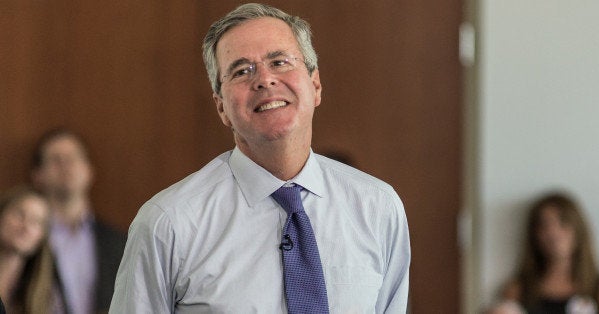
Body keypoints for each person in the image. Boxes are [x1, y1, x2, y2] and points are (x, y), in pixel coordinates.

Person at [110, 3, 411, 313]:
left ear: (315, 85)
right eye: (242, 71)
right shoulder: (167, 224)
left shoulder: (378, 207)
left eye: (279, 62)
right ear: (222, 108)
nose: (265, 80)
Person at [30, 128, 126, 314]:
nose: (66, 166)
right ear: (38, 175)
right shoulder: (25, 237)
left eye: (73, 158)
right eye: (56, 160)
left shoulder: (117, 241)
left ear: (89, 170)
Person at [487, 192, 599, 314]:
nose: (553, 234)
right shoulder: (518, 289)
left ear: (578, 229)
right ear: (534, 235)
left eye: (563, 223)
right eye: (544, 225)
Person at [0, 185, 65, 313]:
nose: (26, 227)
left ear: (42, 237)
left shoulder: (47, 294)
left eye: (36, 221)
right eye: (20, 214)